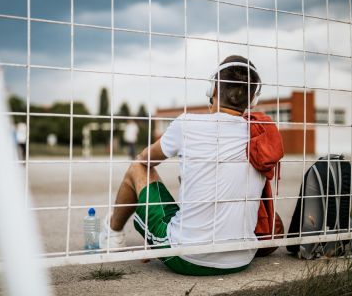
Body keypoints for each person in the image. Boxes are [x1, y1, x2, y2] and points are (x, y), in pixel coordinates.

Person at [99, 55, 283, 276]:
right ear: (252, 99)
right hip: (242, 258)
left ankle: (112, 234)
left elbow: (145, 159)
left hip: (189, 257)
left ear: (212, 90)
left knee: (137, 168)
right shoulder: (259, 134)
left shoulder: (187, 123)